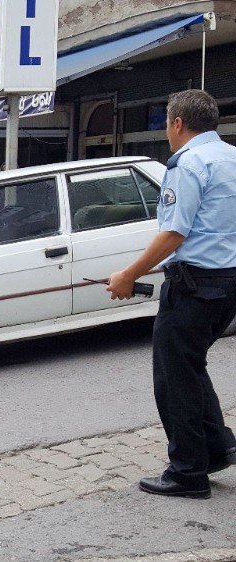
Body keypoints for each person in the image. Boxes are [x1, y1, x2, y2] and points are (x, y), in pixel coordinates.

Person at [108, 89, 236, 499]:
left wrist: (128, 275)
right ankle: (218, 447)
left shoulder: (187, 164)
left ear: (177, 123)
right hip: (228, 284)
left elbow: (174, 233)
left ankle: (187, 473)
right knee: (191, 365)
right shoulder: (231, 158)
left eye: (166, 121)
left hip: (195, 286)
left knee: (174, 378)